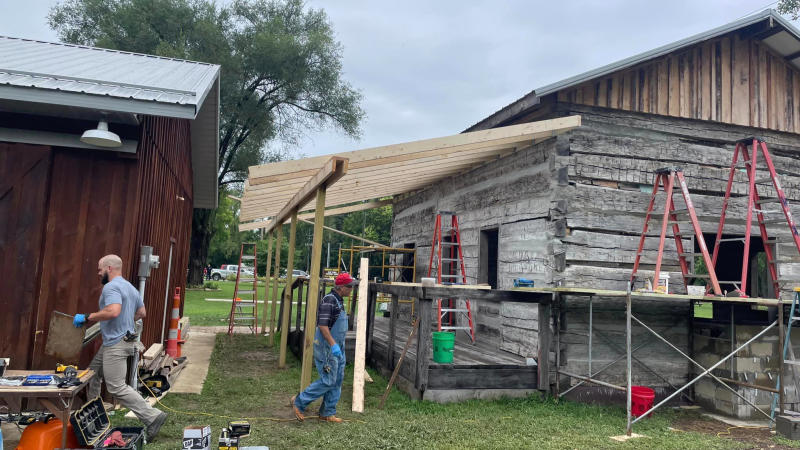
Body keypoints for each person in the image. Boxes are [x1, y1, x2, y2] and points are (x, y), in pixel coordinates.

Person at [73, 254, 168, 440]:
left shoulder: (111, 287)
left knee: (116, 387)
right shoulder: (130, 287)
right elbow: (142, 312)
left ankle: (152, 417)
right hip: (121, 341)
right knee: (92, 374)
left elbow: (113, 311)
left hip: (116, 344)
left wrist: (86, 317)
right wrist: (125, 322)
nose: (98, 273)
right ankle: (94, 417)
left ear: (109, 268)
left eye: (100, 269)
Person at [290, 272, 358, 423]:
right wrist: (333, 345)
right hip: (327, 347)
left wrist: (338, 345)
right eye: (350, 287)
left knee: (337, 379)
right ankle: (299, 402)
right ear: (341, 287)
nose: (351, 289)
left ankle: (327, 412)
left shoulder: (339, 300)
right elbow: (322, 326)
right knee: (328, 380)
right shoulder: (329, 300)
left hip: (337, 345)